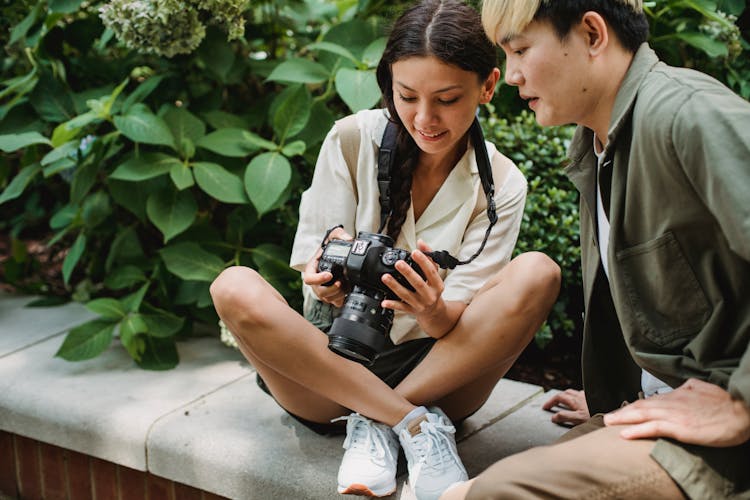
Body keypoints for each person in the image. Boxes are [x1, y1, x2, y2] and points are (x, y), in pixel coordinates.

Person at [209, 1, 561, 499]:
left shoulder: (502, 184)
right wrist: (322, 285)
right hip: (332, 371)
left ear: (488, 86)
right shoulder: (353, 138)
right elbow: (314, 272)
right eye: (407, 95)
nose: (425, 117)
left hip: (438, 373)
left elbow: (456, 325)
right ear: (389, 85)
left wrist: (432, 308)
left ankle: (382, 417)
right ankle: (407, 421)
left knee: (538, 273)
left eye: (447, 98)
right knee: (232, 285)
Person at [439, 0, 750, 498]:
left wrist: (741, 404)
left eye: (520, 50)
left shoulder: (687, 114)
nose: (512, 75)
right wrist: (620, 394)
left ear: (591, 34)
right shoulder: (596, 146)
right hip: (662, 409)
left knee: (496, 493)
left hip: (723, 433)